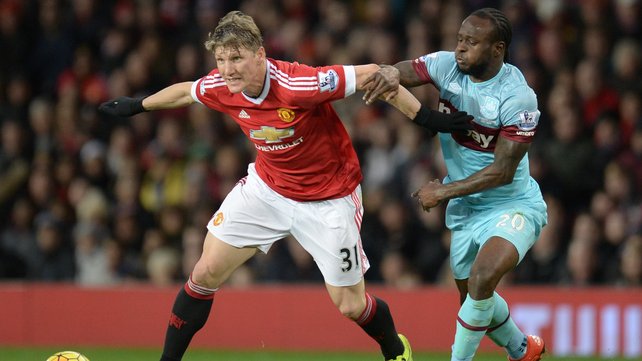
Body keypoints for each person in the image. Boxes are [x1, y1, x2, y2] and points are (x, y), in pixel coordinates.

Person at [99, 10, 471, 361]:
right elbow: (186, 91)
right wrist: (137, 105)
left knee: (351, 306)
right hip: (268, 189)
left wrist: (425, 118)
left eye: (236, 58)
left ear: (260, 54)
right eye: (221, 60)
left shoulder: (298, 83)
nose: (227, 70)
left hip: (330, 198)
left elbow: (376, 73)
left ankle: (395, 349)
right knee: (205, 271)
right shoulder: (222, 85)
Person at [363, 7, 548, 361]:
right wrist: (388, 73)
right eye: (460, 39)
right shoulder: (448, 65)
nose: (461, 48)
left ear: (498, 49)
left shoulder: (517, 97)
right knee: (475, 302)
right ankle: (523, 350)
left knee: (481, 282)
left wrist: (442, 191)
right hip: (466, 208)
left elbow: (502, 172)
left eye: (472, 42)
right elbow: (408, 70)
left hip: (510, 204)